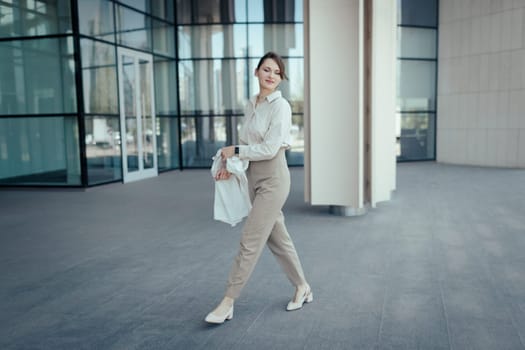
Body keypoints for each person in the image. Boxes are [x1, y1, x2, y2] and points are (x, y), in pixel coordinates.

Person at [205, 52, 312, 324]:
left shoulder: (281, 106)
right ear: (257, 72)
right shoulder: (251, 104)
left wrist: (236, 150)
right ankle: (303, 286)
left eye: (277, 72)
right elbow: (246, 145)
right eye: (267, 70)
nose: (271, 76)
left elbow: (268, 148)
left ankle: (228, 301)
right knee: (279, 239)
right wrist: (228, 166)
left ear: (281, 78)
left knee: (250, 240)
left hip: (274, 179)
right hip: (254, 179)